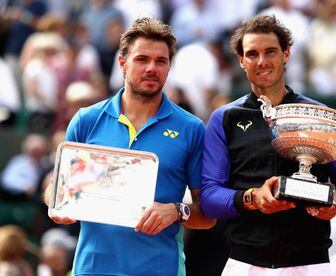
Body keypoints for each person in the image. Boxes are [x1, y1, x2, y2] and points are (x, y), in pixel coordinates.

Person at [44, 17, 215, 275]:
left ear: (170, 67)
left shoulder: (192, 129)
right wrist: (55, 204)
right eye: (142, 59)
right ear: (123, 63)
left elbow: (208, 216)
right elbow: (55, 187)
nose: (152, 68)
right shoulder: (86, 120)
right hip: (92, 268)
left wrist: (177, 211)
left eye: (161, 61)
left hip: (161, 269)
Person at [200, 15, 336, 275]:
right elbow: (209, 196)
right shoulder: (225, 118)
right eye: (252, 54)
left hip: (311, 262)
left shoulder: (319, 114)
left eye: (271, 52)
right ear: (241, 60)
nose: (262, 62)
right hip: (245, 263)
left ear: (286, 54)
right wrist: (253, 198)